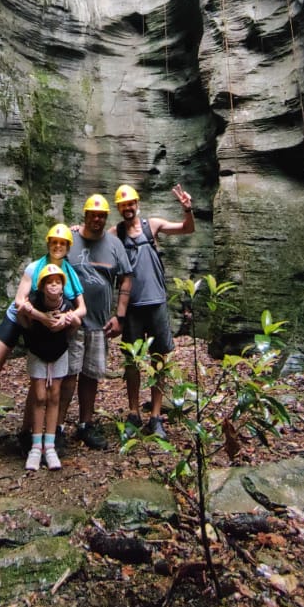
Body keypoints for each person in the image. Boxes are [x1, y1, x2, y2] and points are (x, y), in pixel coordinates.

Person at [0, 224, 84, 460]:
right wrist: (42, 317)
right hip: (22, 319)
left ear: (68, 247)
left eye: (63, 243)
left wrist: (66, 318)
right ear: (48, 243)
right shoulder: (35, 267)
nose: (58, 246)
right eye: (54, 242)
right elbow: (20, 301)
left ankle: (25, 431)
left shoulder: (69, 274)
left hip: (45, 328)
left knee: (40, 375)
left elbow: (80, 307)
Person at [113, 183, 195, 438]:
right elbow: (93, 239)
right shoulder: (115, 233)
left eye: (131, 203)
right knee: (132, 363)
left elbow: (186, 229)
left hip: (156, 302)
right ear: (119, 207)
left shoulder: (153, 225)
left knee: (159, 358)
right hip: (132, 308)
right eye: (123, 204)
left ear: (137, 203)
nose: (128, 208)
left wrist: (187, 210)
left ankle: (156, 416)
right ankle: (133, 412)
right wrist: (75, 230)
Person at [57, 194, 133, 450]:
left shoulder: (114, 244)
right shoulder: (70, 238)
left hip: (100, 324)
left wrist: (119, 316)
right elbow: (52, 266)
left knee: (91, 375)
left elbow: (125, 279)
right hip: (71, 322)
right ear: (85, 215)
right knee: (68, 375)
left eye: (102, 215)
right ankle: (56, 428)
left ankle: (85, 425)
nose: (97, 219)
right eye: (93, 214)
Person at [19, 264, 80, 470]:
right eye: (49, 282)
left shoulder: (68, 305)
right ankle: (36, 447)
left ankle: (50, 445)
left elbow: (75, 327)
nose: (53, 286)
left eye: (57, 282)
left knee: (54, 395)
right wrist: (34, 315)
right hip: (37, 352)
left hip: (59, 353)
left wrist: (72, 321)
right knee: (39, 396)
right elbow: (22, 316)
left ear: (63, 286)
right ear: (42, 286)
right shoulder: (34, 301)